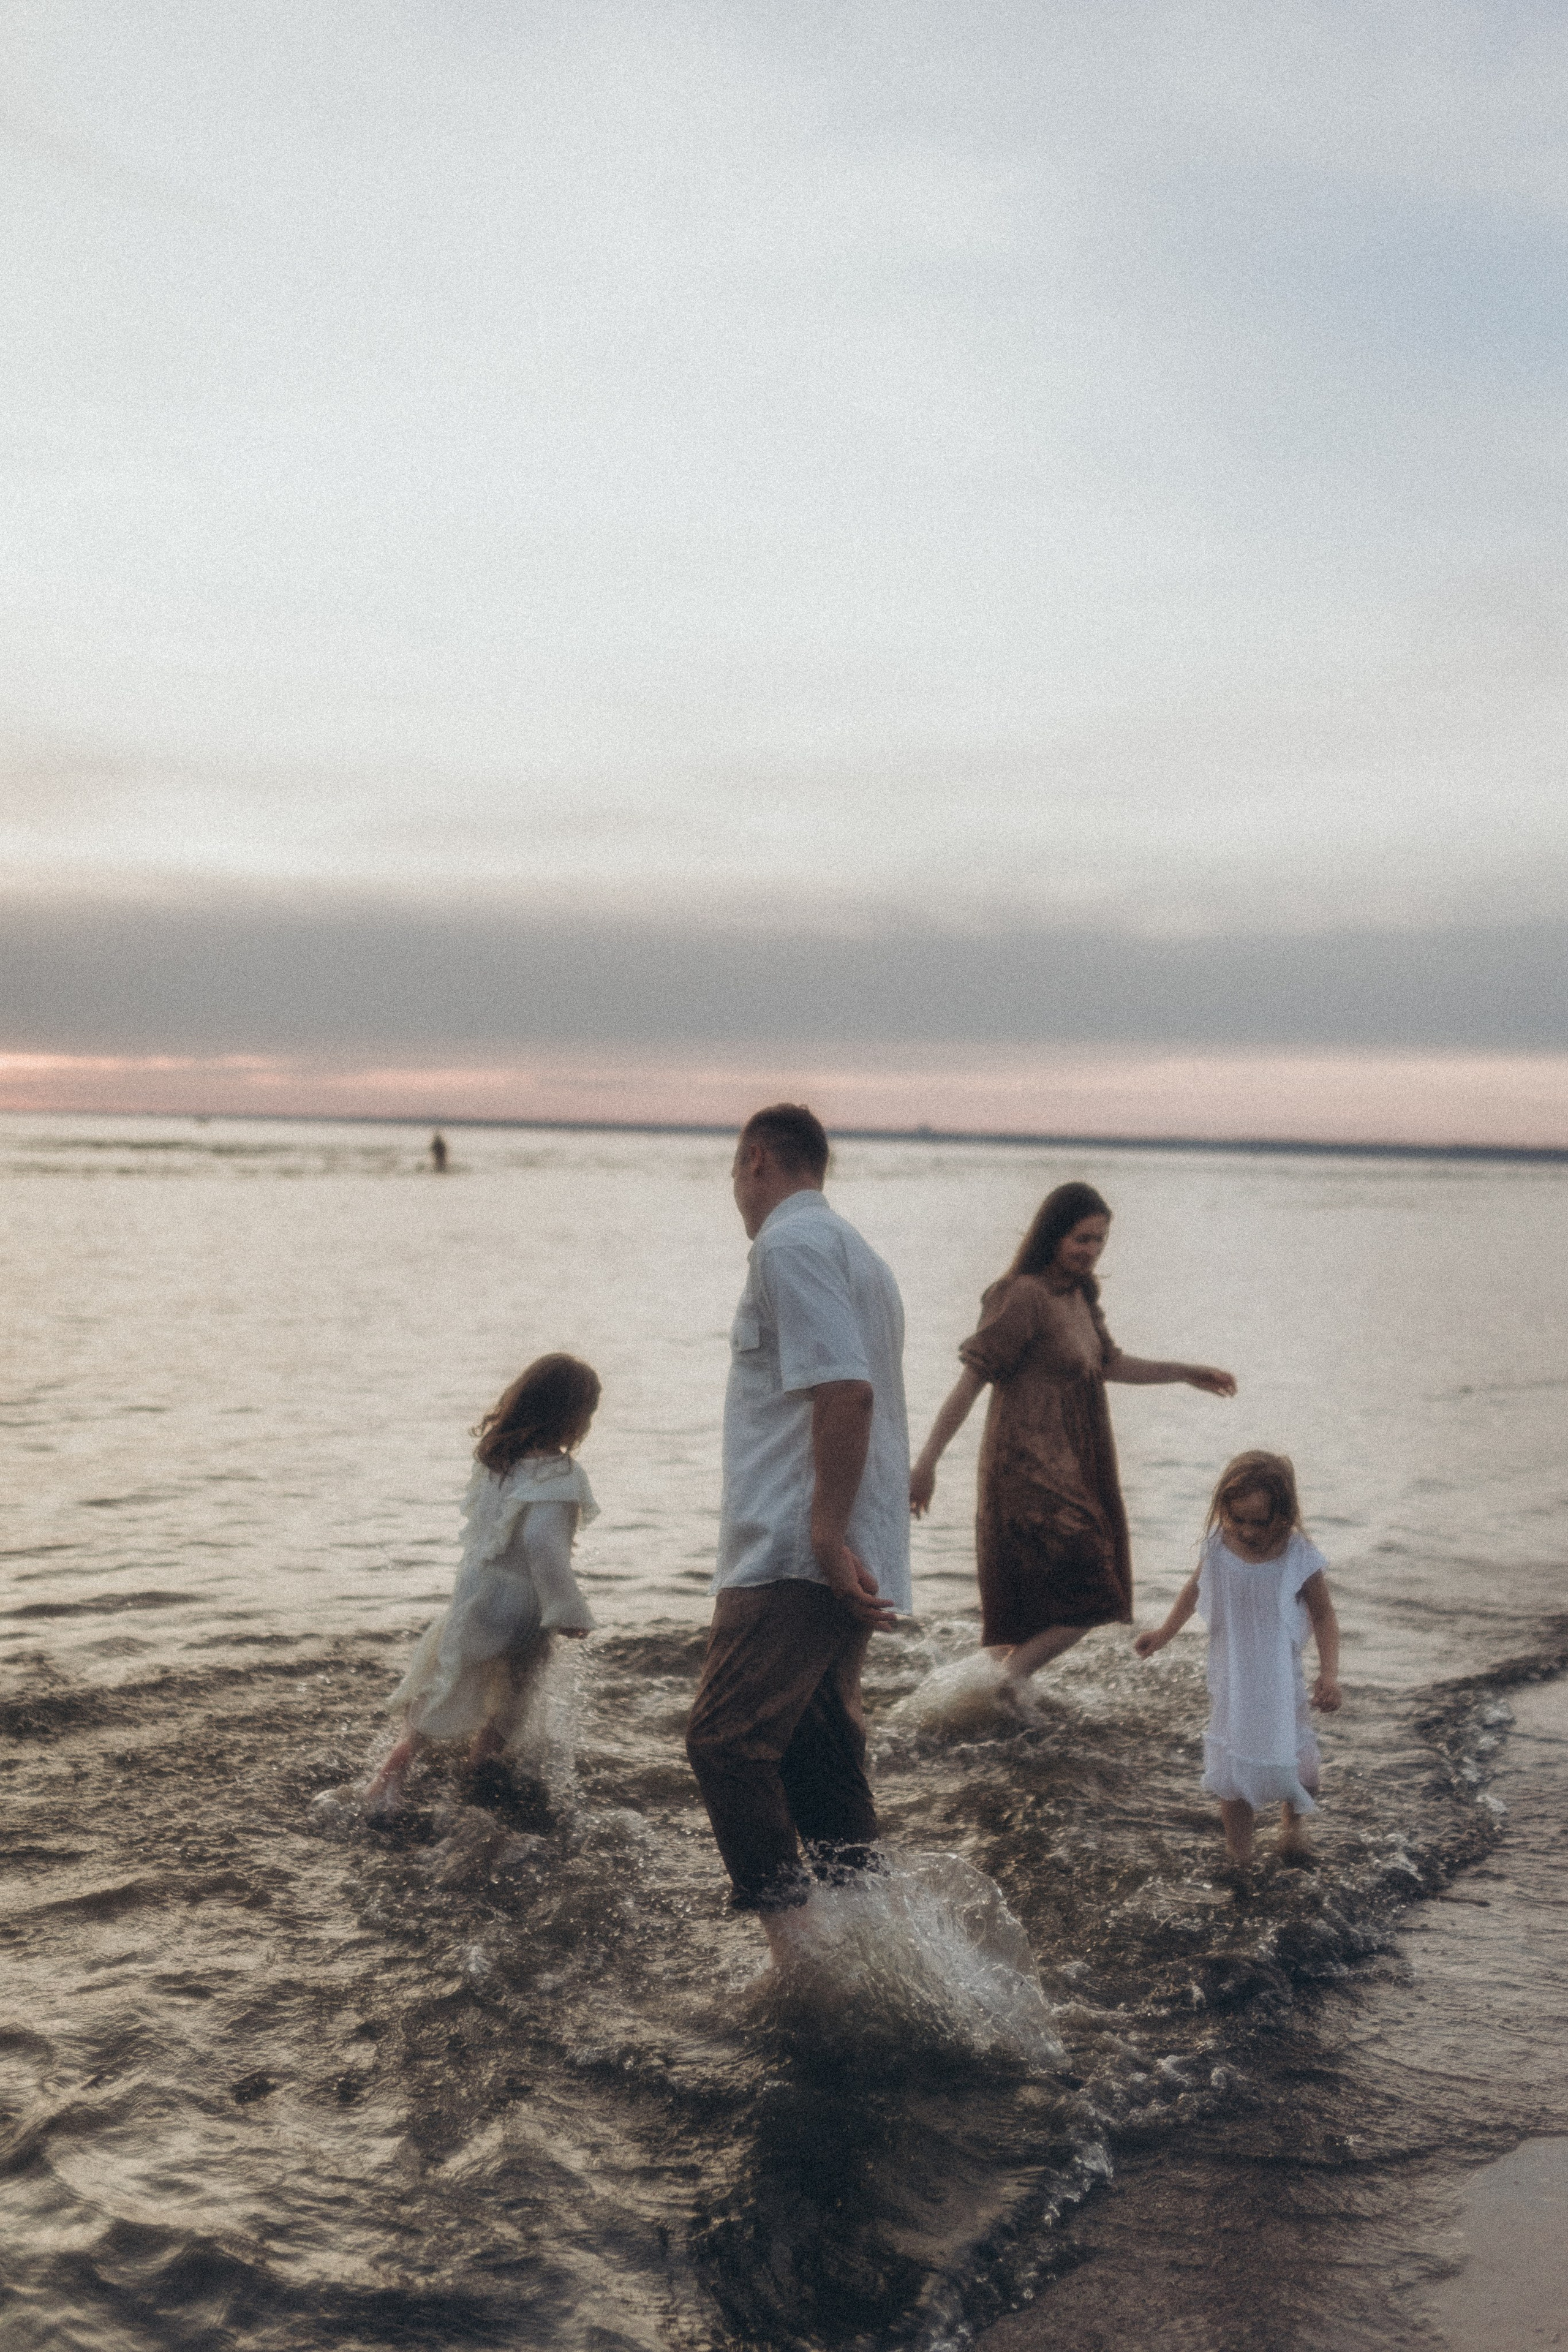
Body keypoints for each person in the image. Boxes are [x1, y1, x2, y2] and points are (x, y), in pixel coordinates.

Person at [685, 1103, 911, 1951]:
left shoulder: (787, 1245)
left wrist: (822, 1536)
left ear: (756, 1163)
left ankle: (804, 1964)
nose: (738, 1194)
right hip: (851, 1537)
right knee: (817, 1757)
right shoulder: (860, 1254)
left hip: (797, 1544)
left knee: (726, 1744)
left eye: (738, 1176)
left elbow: (846, 1391)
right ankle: (878, 1942)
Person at [909, 1181, 1235, 1691]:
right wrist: (926, 1464)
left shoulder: (1081, 1296)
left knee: (1041, 1603)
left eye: (1100, 1241)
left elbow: (1109, 1363)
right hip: (1024, 1469)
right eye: (1081, 1239)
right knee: (1094, 1590)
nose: (1091, 1251)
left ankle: (984, 1699)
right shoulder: (1022, 1295)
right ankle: (1007, 1683)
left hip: (1072, 1465)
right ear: (1053, 1235)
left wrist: (1185, 1371)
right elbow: (970, 1383)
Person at [363, 1353, 600, 1817]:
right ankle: (479, 1784)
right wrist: (569, 1610)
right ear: (575, 1416)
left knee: (446, 1674)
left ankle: (388, 1783)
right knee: (510, 1699)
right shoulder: (560, 1473)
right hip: (523, 1603)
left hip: (475, 1592)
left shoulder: (496, 1455)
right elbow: (542, 1546)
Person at [1135, 1450, 1342, 1865]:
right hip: (1233, 1678)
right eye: (1237, 1519)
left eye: (1258, 1522)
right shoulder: (1217, 1548)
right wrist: (1163, 1634)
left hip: (1281, 1682)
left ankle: (1293, 1825)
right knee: (1232, 1775)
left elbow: (1323, 1614)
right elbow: (1194, 1592)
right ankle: (1240, 1856)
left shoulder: (1298, 1553)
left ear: (1284, 1515)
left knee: (1305, 1775)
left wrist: (1330, 1675)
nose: (1246, 1531)